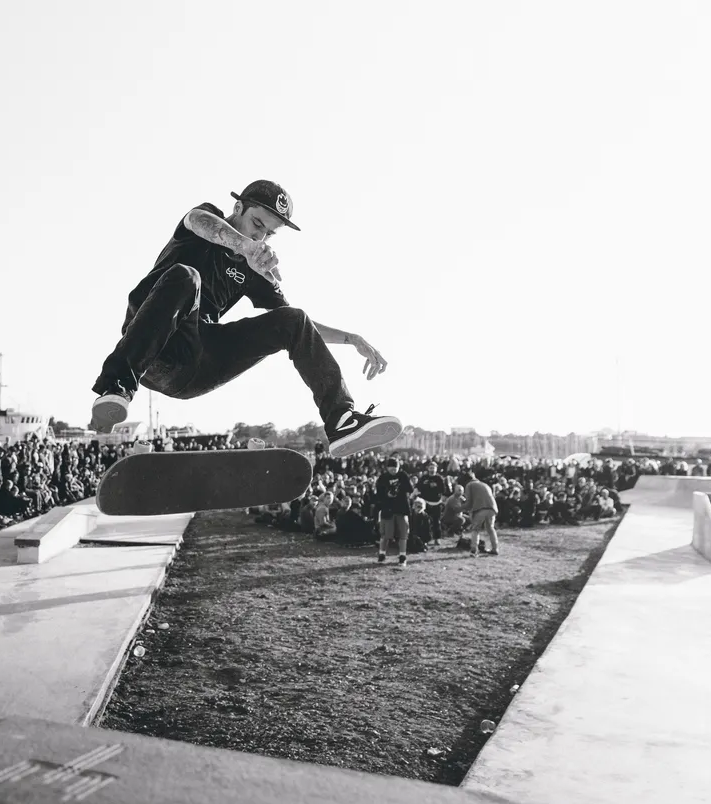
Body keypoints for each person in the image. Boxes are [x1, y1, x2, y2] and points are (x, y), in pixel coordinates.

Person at [90, 180, 401, 458]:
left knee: (294, 319)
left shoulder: (255, 272)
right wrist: (244, 246)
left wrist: (352, 339)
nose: (260, 236)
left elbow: (302, 329)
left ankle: (341, 421)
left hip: (197, 364)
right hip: (150, 347)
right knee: (186, 277)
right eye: (256, 223)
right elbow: (199, 222)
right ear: (237, 208)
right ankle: (117, 387)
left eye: (268, 233)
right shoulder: (204, 220)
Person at [373, 456, 414, 565]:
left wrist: (400, 488)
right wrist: (387, 494)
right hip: (388, 509)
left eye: (395, 467)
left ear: (398, 467)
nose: (393, 470)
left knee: (403, 535)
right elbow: (378, 495)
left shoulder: (403, 475)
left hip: (402, 508)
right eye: (391, 467)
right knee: (386, 535)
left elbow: (410, 489)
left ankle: (402, 556)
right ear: (387, 468)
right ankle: (382, 554)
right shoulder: (382, 478)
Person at [464, 471, 500, 557]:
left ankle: (474, 550)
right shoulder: (484, 484)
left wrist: (462, 509)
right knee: (490, 528)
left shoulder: (470, 485)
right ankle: (495, 549)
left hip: (480, 508)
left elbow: (469, 502)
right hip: (492, 508)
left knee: (475, 529)